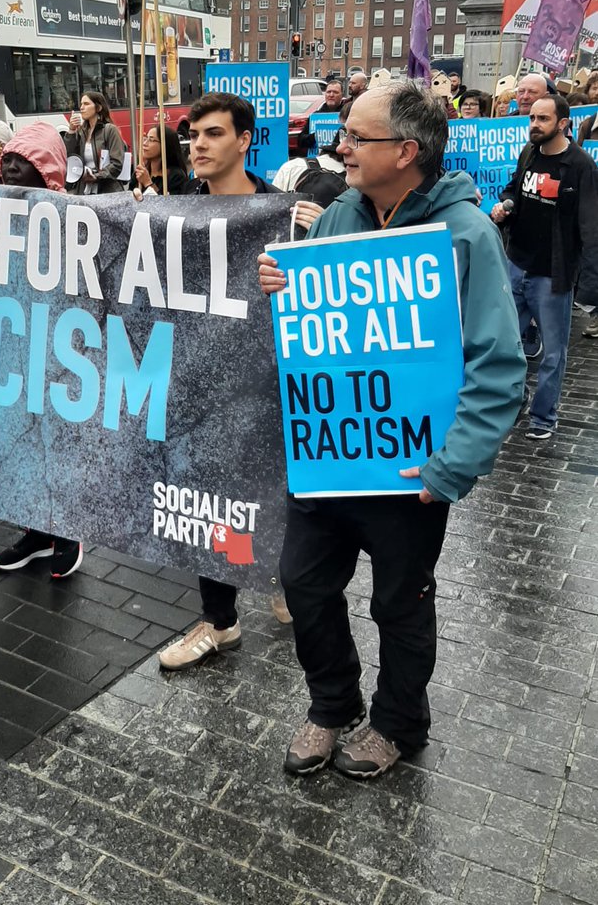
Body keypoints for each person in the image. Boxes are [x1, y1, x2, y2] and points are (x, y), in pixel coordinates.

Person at [258, 81, 525, 780]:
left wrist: (453, 465)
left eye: (356, 136)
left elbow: (499, 367)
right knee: (304, 585)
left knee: (400, 604)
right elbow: (307, 334)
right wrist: (280, 288)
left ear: (406, 151)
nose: (340, 146)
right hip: (329, 456)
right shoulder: (337, 217)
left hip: (410, 472)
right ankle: (332, 703)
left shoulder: (466, 235)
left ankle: (398, 723)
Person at [158, 92, 282, 671]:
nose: (198, 146)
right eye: (193, 136)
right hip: (201, 387)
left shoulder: (282, 213)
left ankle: (279, 575)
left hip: (266, 387)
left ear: (244, 141)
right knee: (209, 499)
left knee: (273, 493)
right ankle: (220, 620)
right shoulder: (177, 210)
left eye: (213, 134)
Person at [0, 122, 84, 579]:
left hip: (61, 355)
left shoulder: (76, 218)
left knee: (58, 445)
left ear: (46, 170)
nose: (8, 167)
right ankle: (35, 531)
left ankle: (67, 533)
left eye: (21, 161)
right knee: (22, 445)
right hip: (14, 351)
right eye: (6, 159)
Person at [491, 94, 598, 435]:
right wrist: (506, 205)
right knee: (507, 344)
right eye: (532, 118)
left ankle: (543, 417)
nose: (534, 125)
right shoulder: (529, 152)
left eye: (542, 119)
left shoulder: (581, 166)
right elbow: (514, 189)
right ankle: (515, 399)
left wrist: (589, 286)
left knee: (553, 353)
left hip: (553, 275)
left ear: (563, 123)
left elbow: (590, 227)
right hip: (516, 264)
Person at [64, 91, 126, 195]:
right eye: (81, 104)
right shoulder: (81, 131)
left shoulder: (110, 130)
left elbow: (117, 164)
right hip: (85, 191)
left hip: (107, 191)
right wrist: (71, 130)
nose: (82, 108)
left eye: (86, 104)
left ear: (98, 108)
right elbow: (70, 156)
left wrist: (96, 177)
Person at [133, 124, 190, 196]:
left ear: (165, 144)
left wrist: (148, 183)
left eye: (151, 140)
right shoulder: (141, 171)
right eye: (146, 138)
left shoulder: (176, 176)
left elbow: (168, 202)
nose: (144, 143)